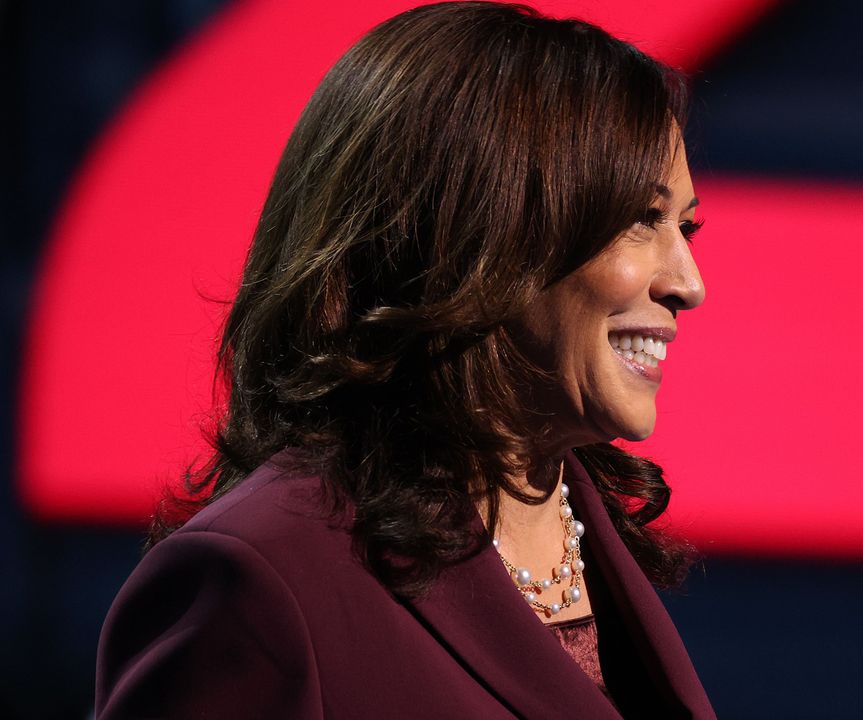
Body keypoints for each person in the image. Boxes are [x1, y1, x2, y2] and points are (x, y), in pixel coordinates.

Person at [93, 3, 712, 718]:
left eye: (686, 226)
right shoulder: (259, 585)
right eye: (643, 219)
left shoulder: (602, 556)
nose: (689, 284)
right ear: (482, 232)